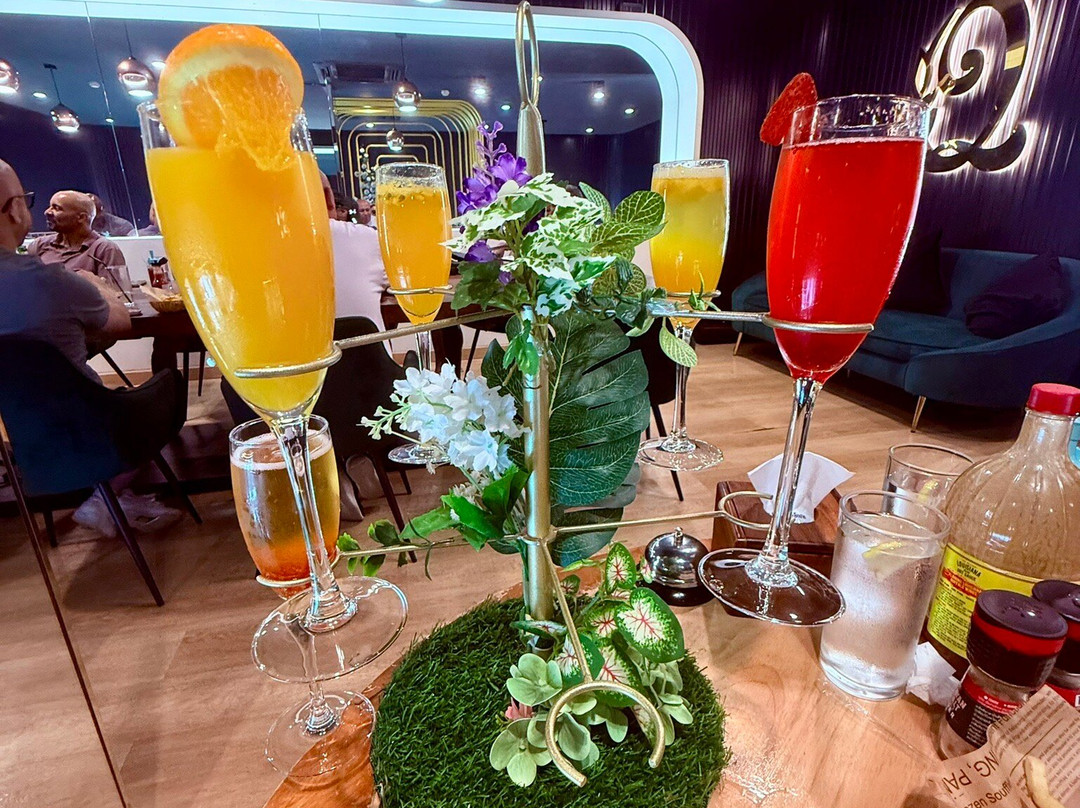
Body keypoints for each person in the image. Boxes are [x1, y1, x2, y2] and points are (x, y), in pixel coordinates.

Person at [0, 162, 178, 536]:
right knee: (171, 387)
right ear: (14, 209)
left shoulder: (92, 251)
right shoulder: (51, 280)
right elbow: (121, 321)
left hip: (27, 441)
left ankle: (112, 497)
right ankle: (103, 499)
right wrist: (95, 285)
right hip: (92, 428)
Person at [319, 172, 389, 331]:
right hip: (366, 346)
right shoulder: (368, 238)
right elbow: (403, 283)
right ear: (329, 200)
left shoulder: (262, 251)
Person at [27, 191, 128, 278]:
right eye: (49, 207)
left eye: (57, 208)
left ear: (81, 217)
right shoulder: (39, 245)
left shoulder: (104, 249)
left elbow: (114, 292)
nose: (47, 212)